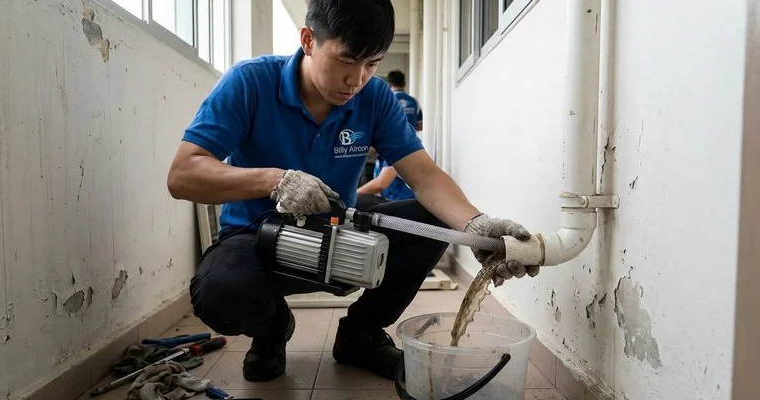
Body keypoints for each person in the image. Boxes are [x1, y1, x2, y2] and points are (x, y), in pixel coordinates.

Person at [166, 0, 537, 384]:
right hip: (258, 239)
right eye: (346, 60)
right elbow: (182, 175)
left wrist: (475, 224)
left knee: (432, 220)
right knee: (220, 295)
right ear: (308, 40)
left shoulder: (375, 98)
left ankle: (361, 334)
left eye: (372, 63)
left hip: (338, 235)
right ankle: (272, 327)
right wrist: (275, 180)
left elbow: (423, 175)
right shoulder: (250, 82)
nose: (357, 79)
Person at [357, 70, 421, 203]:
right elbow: (419, 125)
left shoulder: (388, 101)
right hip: (411, 143)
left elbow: (381, 183)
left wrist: (351, 196)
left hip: (403, 204)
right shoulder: (413, 101)